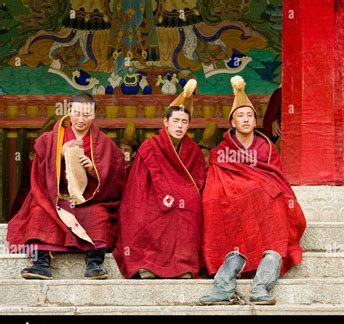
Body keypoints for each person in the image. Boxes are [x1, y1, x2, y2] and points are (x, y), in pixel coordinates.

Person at [199, 76, 306, 305]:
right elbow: (216, 182)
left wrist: (256, 189)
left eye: (250, 115)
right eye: (240, 116)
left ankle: (261, 287)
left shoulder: (266, 147)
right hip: (232, 201)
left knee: (278, 203)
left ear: (255, 121)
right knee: (213, 201)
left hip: (262, 203)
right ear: (233, 122)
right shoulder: (221, 150)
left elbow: (276, 179)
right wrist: (240, 190)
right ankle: (223, 285)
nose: (246, 119)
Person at [7, 93, 126, 280]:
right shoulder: (50, 139)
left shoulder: (103, 143)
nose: (80, 119)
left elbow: (116, 176)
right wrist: (57, 155)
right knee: (39, 212)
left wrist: (94, 170)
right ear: (69, 112)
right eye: (77, 113)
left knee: (98, 215)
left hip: (87, 201)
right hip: (57, 198)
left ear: (94, 115)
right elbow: (38, 171)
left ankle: (94, 263)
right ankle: (41, 263)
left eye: (86, 115)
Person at [113, 79, 206, 279]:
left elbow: (197, 181)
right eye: (176, 121)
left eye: (184, 122)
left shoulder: (194, 150)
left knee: (188, 206)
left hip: (181, 198)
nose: (180, 126)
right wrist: (164, 194)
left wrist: (181, 193)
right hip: (153, 195)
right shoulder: (150, 146)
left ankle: (183, 265)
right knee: (147, 211)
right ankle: (148, 264)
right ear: (165, 122)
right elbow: (138, 184)